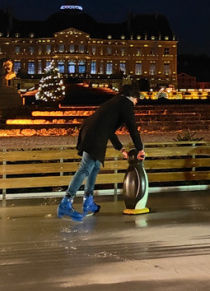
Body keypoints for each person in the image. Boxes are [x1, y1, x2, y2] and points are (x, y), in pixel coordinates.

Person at [57, 84, 146, 221]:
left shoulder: (115, 102)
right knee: (85, 168)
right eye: (136, 99)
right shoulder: (126, 104)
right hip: (95, 135)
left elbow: (109, 129)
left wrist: (121, 148)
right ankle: (66, 202)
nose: (136, 102)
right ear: (133, 97)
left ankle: (88, 202)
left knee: (95, 166)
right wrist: (140, 149)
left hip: (93, 131)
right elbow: (132, 128)